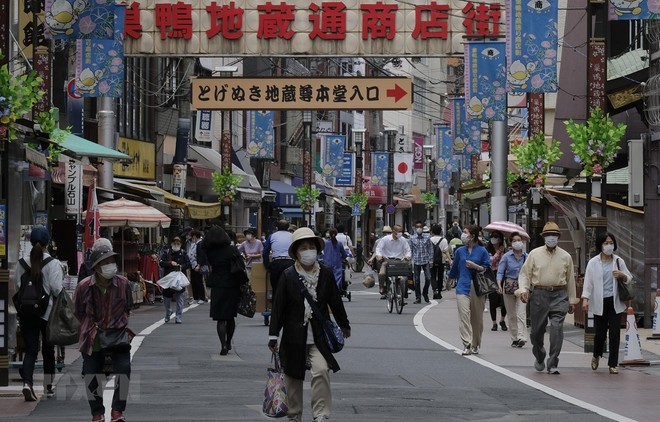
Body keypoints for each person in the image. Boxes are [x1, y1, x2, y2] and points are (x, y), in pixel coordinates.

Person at [268, 228, 351, 422]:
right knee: (292, 377)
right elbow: (278, 307)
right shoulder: (288, 275)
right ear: (296, 252)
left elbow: (335, 302)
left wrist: (344, 324)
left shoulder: (326, 274)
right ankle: (294, 415)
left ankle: (321, 414)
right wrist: (273, 335)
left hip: (319, 336)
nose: (308, 251)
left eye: (311, 247)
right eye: (303, 247)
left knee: (321, 370)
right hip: (293, 335)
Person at [74, 241, 132, 422]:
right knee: (91, 373)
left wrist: (116, 321)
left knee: (125, 368)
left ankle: (117, 411)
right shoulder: (84, 286)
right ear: (96, 266)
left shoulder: (123, 283)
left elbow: (128, 307)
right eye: (105, 262)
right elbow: (78, 311)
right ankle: (97, 413)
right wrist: (91, 325)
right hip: (93, 336)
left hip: (117, 334)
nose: (110, 266)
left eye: (111, 261)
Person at [516, 221, 578, 374]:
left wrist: (572, 300)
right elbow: (525, 274)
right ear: (544, 237)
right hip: (539, 294)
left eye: (554, 235)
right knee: (536, 331)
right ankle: (539, 355)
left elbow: (570, 279)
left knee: (557, 328)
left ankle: (553, 362)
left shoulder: (566, 256)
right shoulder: (534, 254)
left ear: (558, 237)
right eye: (548, 235)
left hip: (560, 294)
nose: (551, 237)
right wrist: (524, 290)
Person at [16, 227, 63, 401]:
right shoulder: (53, 263)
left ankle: (27, 383)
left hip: (26, 313)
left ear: (29, 242)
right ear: (47, 243)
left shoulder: (21, 263)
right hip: (47, 312)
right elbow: (57, 289)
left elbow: (18, 288)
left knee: (31, 350)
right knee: (48, 350)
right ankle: (48, 387)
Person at [581, 232, 633, 374]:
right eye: (606, 243)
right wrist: (585, 299)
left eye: (611, 243)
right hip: (599, 303)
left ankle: (613, 364)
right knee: (600, 335)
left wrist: (622, 275)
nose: (609, 246)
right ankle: (596, 355)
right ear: (600, 245)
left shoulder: (618, 261)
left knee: (615, 333)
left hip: (615, 303)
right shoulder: (593, 262)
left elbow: (629, 278)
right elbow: (588, 283)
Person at [199, 225, 244, 355]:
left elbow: (204, 262)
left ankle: (222, 344)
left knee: (220, 318)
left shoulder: (210, 252)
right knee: (230, 317)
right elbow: (240, 264)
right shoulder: (232, 249)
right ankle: (229, 341)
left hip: (217, 285)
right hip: (232, 285)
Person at [447, 224, 490, 356]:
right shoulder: (460, 251)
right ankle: (467, 344)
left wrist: (476, 266)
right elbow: (454, 269)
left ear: (472, 235)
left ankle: (476, 344)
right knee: (464, 316)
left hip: (477, 287)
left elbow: (487, 269)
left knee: (477, 319)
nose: (463, 235)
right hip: (462, 286)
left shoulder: (482, 251)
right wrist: (449, 281)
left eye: (465, 232)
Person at [496, 232, 528, 348]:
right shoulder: (506, 256)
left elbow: (531, 271)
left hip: (523, 287)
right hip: (509, 286)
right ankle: (514, 338)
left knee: (521, 312)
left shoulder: (527, 256)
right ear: (510, 242)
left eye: (519, 240)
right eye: (514, 240)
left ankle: (521, 337)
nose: (517, 242)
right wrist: (499, 284)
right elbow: (500, 271)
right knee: (511, 314)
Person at [371, 224, 412, 301]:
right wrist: (379, 256)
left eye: (401, 231)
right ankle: (381, 286)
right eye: (398, 231)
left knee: (403, 279)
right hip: (387, 260)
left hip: (399, 261)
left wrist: (407, 257)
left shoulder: (403, 240)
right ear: (393, 231)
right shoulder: (385, 239)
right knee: (382, 274)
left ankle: (403, 295)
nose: (400, 233)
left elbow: (408, 250)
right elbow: (379, 249)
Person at [159, 236, 191, 324]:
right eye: (175, 243)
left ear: (180, 244)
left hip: (179, 279)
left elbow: (188, 264)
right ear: (171, 243)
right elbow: (161, 263)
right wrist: (170, 263)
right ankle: (168, 311)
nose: (176, 244)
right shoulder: (167, 252)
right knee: (166, 298)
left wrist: (181, 266)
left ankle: (178, 316)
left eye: (178, 243)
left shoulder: (184, 253)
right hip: (169, 278)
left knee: (180, 298)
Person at [263, 220, 295, 299]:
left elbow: (265, 252)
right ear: (288, 227)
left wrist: (268, 265)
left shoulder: (272, 236)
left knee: (276, 287)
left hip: (276, 263)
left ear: (277, 227)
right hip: (290, 263)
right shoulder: (293, 236)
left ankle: (276, 308)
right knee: (291, 288)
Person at [486, 230, 508, 332]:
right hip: (491, 275)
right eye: (493, 236)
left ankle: (502, 320)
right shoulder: (488, 249)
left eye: (496, 237)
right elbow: (490, 261)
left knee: (504, 300)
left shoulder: (505, 250)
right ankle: (494, 322)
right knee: (492, 299)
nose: (494, 239)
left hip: (503, 275)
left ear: (500, 239)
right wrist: (498, 252)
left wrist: (502, 252)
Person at [409, 220, 433, 304]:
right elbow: (410, 250)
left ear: (423, 228)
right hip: (416, 261)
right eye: (417, 227)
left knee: (428, 278)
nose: (419, 228)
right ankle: (418, 297)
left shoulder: (427, 237)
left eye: (420, 227)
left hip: (425, 260)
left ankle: (425, 293)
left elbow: (430, 249)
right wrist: (410, 261)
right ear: (415, 228)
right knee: (417, 280)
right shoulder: (412, 238)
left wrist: (431, 260)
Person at [430, 224, 451, 299]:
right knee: (440, 276)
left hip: (431, 260)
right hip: (441, 260)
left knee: (432, 276)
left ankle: (434, 290)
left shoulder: (430, 239)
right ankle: (439, 292)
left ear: (432, 231)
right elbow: (446, 251)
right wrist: (450, 260)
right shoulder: (444, 240)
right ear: (440, 231)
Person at [187, 230, 207, 304]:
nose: (192, 238)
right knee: (194, 282)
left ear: (195, 236)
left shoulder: (200, 244)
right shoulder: (196, 244)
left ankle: (201, 297)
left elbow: (201, 256)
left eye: (192, 236)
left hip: (196, 265)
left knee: (199, 282)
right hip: (193, 265)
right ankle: (196, 297)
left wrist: (199, 265)